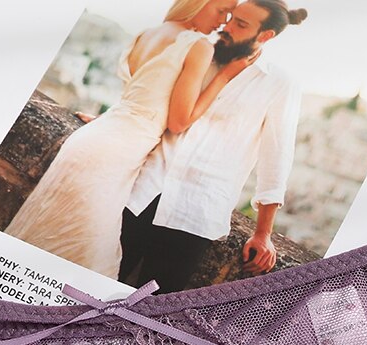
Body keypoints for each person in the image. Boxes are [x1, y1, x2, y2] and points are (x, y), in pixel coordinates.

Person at [4, 0, 259, 279]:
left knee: (48, 231)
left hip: (93, 138)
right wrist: (224, 77)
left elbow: (142, 94)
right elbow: (179, 122)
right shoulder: (198, 46)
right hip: (117, 154)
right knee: (83, 254)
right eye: (222, 10)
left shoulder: (148, 34)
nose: (224, 21)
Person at [118, 0, 307, 291]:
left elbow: (277, 156)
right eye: (231, 17)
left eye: (241, 24)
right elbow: (157, 104)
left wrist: (263, 233)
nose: (227, 27)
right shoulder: (200, 55)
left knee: (153, 306)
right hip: (142, 191)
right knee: (95, 282)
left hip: (195, 212)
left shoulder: (279, 83)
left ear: (265, 35)